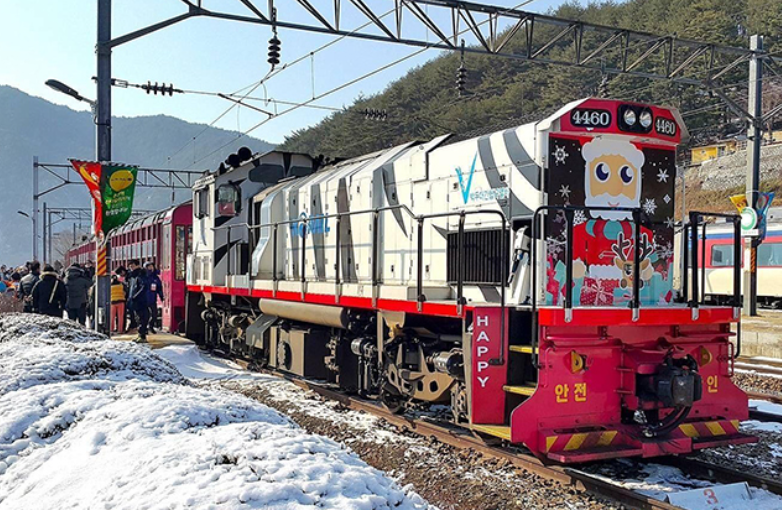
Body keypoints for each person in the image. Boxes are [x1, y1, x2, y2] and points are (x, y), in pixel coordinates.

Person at [126, 259, 149, 343]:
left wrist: (135, 296)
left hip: (140, 301)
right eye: (130, 266)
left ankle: (142, 336)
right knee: (138, 318)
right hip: (134, 300)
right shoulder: (133, 276)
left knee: (142, 318)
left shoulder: (140, 275)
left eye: (132, 266)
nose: (131, 268)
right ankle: (140, 335)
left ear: (137, 265)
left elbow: (144, 287)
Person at [144, 262, 165, 334]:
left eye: (151, 266)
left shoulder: (156, 278)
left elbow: (159, 288)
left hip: (152, 299)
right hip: (144, 299)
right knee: (145, 315)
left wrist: (161, 296)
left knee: (154, 314)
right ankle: (144, 328)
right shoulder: (143, 276)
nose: (150, 268)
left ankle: (151, 326)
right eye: (148, 267)